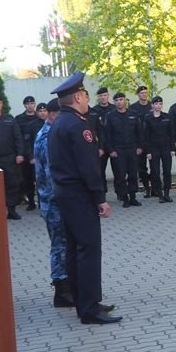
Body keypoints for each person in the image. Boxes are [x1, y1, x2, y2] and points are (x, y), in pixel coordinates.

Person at [47, 73, 120, 325]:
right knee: (88, 249)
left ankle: (84, 301)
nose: (88, 99)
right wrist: (100, 198)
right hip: (79, 195)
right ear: (77, 97)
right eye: (86, 95)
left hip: (64, 194)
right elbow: (88, 166)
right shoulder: (79, 125)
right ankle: (89, 309)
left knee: (73, 249)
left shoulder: (59, 122)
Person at [33, 98, 73, 307]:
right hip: (54, 200)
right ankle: (62, 291)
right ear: (54, 114)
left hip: (55, 200)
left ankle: (67, 286)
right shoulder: (48, 136)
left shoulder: (51, 133)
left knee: (64, 244)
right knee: (59, 246)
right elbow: (52, 173)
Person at [103, 92, 143, 207]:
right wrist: (111, 150)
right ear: (114, 102)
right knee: (120, 175)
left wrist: (140, 147)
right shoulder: (110, 116)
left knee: (133, 174)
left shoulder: (133, 114)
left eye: (121, 99)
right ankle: (124, 198)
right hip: (118, 150)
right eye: (116, 100)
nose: (119, 102)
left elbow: (139, 132)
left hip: (132, 149)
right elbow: (107, 135)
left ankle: (133, 197)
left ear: (125, 100)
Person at [143, 96, 175, 203]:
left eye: (160, 104)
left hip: (166, 148)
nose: (158, 106)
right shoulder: (148, 118)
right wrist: (148, 151)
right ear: (152, 105)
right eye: (156, 104)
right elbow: (146, 136)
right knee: (155, 172)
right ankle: (159, 194)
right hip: (153, 149)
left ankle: (166, 194)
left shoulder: (167, 117)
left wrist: (172, 149)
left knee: (167, 171)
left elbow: (171, 133)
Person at [16, 96, 43, 211]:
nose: (30, 105)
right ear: (24, 106)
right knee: (27, 180)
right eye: (27, 104)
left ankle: (42, 202)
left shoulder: (40, 118)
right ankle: (31, 201)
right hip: (26, 154)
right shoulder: (19, 119)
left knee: (40, 179)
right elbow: (17, 137)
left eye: (32, 103)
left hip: (39, 153)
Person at [129, 86, 153, 197]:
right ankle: (146, 187)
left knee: (155, 166)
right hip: (139, 141)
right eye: (142, 93)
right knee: (142, 168)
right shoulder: (133, 108)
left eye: (145, 93)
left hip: (152, 140)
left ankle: (155, 188)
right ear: (138, 94)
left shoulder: (152, 106)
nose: (144, 95)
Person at [89, 87, 113, 194]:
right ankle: (103, 192)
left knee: (118, 170)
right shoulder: (94, 111)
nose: (103, 98)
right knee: (100, 171)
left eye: (105, 95)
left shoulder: (114, 108)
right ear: (98, 97)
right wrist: (100, 147)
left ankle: (121, 193)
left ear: (108, 96)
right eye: (101, 96)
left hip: (113, 144)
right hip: (101, 146)